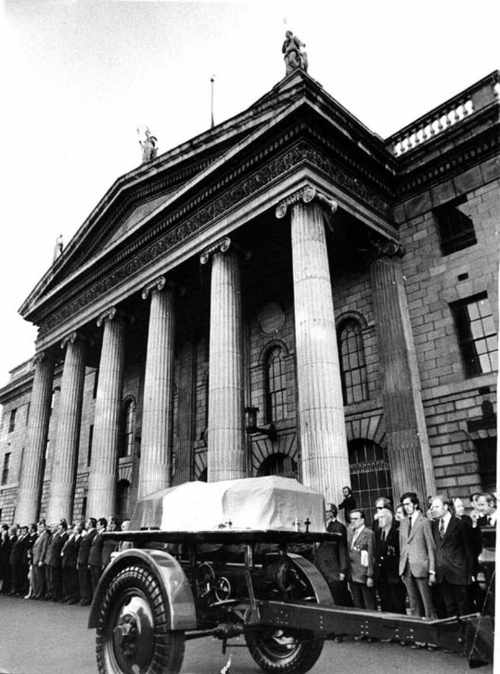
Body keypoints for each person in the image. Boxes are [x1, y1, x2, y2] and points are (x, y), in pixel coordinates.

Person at [429, 495, 473, 617]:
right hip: (442, 575)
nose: (433, 509)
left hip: (459, 574)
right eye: (432, 507)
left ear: (446, 507)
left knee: (463, 608)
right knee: (449, 608)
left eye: (436, 506)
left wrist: (470, 573)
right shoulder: (433, 526)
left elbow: (468, 550)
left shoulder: (460, 524)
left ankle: (466, 635)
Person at [399, 492, 436, 619]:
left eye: (408, 504)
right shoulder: (403, 522)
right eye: (404, 505)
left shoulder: (424, 521)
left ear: (415, 505)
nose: (406, 507)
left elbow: (431, 547)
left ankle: (431, 629)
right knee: (413, 602)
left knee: (427, 602)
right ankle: (417, 630)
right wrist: (401, 568)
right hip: (406, 567)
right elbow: (402, 546)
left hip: (421, 567)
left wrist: (432, 570)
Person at [314, 504, 351, 607]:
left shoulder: (339, 527)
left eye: (325, 511)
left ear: (332, 513)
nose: (323, 514)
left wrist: (343, 570)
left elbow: (342, 548)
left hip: (334, 570)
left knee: (339, 599)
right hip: (321, 569)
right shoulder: (320, 527)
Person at [374, 507, 406, 613]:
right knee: (385, 603)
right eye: (379, 518)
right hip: (382, 576)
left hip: (394, 574)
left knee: (397, 603)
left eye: (382, 517)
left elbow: (400, 553)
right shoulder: (378, 533)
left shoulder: (397, 532)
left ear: (389, 518)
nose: (380, 520)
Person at [347, 509, 376, 610]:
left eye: (356, 518)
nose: (353, 521)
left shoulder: (368, 533)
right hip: (352, 574)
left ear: (362, 520)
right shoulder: (350, 533)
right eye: (351, 519)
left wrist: (370, 576)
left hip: (364, 575)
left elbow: (371, 555)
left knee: (369, 604)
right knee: (357, 604)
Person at [45, 519, 68, 601]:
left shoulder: (64, 537)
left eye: (60, 527)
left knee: (55, 579)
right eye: (58, 527)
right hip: (51, 560)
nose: (58, 529)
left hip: (57, 560)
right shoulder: (55, 536)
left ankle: (56, 595)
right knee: (50, 578)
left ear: (64, 528)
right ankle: (51, 594)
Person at [61, 522, 83, 603]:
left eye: (74, 528)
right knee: (67, 580)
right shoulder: (71, 538)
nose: (73, 530)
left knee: (73, 581)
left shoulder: (80, 539)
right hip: (67, 562)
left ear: (78, 530)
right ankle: (68, 595)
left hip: (73, 562)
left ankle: (73, 597)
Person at [77, 518, 97, 606]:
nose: (86, 524)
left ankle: (87, 598)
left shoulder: (93, 533)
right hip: (81, 559)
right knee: (82, 580)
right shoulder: (87, 533)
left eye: (88, 522)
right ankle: (83, 597)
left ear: (91, 524)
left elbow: (90, 548)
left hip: (86, 560)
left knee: (86, 581)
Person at [32, 520, 50, 599]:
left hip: (39, 559)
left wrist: (41, 560)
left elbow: (44, 548)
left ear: (45, 527)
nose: (39, 528)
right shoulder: (39, 535)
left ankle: (39, 593)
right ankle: (36, 593)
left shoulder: (45, 535)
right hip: (35, 558)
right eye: (39, 526)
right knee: (35, 577)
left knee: (40, 577)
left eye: (41, 526)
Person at [88, 517, 107, 596]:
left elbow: (104, 549)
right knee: (93, 581)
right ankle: (95, 596)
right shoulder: (97, 534)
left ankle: (99, 597)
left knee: (98, 581)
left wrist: (103, 562)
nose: (97, 526)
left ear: (102, 526)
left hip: (98, 561)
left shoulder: (104, 534)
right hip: (93, 560)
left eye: (98, 525)